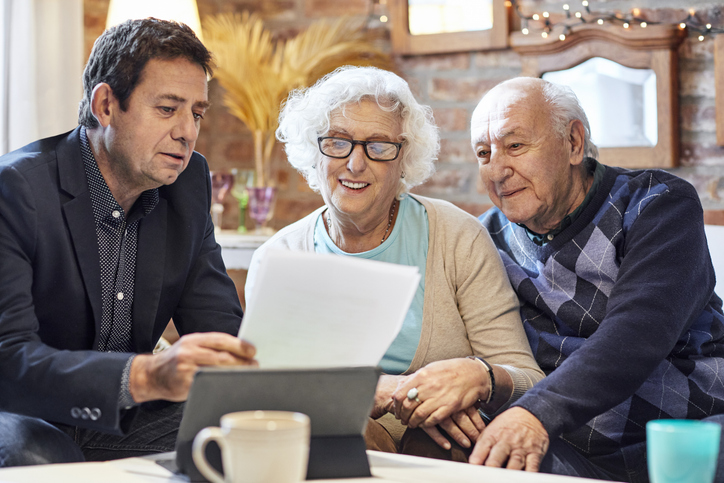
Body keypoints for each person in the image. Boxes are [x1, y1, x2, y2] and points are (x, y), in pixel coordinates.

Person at [245, 66, 544, 455]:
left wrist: (479, 376)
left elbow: (527, 379)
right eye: (337, 142)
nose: (355, 163)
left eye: (379, 146)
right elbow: (263, 392)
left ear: (404, 159)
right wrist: (377, 390)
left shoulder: (457, 236)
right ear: (313, 151)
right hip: (331, 443)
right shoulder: (278, 258)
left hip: (445, 446)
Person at [0, 19, 257, 467]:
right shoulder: (17, 189)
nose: (187, 132)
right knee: (40, 452)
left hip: (119, 419)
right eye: (167, 109)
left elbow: (218, 328)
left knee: (258, 427)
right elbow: (9, 360)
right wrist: (144, 375)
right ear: (106, 104)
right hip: (21, 409)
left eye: (196, 112)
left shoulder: (188, 182)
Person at [465, 76, 724, 482]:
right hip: (566, 444)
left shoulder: (657, 202)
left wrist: (535, 414)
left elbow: (637, 333)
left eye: (515, 146)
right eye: (483, 153)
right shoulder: (480, 240)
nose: (497, 169)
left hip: (689, 427)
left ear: (573, 142)